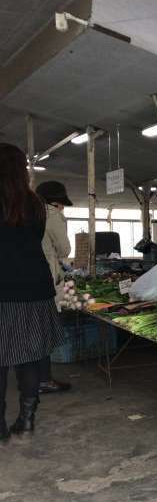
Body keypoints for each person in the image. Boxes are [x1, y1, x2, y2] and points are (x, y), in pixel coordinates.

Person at [0, 143, 64, 439]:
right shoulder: (36, 204)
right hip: (35, 288)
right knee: (28, 356)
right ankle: (26, 419)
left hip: (3, 290)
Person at [36, 181, 73, 394]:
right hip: (45, 279)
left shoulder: (28, 212)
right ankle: (44, 379)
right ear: (57, 202)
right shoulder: (52, 215)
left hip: (23, 279)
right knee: (45, 329)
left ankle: (36, 378)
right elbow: (64, 249)